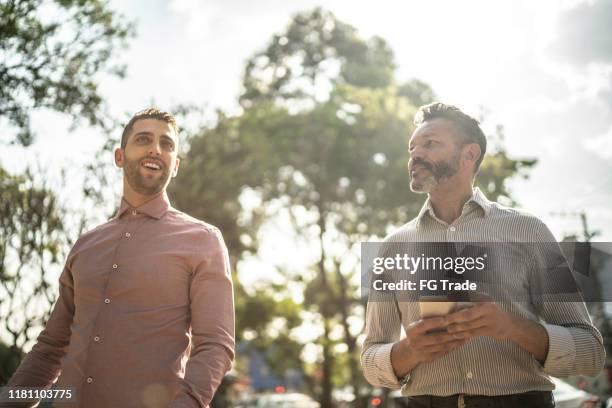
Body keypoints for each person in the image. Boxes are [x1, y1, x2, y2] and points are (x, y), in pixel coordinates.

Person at [360, 102, 605, 407]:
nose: (416, 155)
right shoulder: (392, 247)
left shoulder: (529, 231)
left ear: (469, 154)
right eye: (412, 148)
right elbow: (370, 358)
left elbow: (590, 351)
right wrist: (410, 350)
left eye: (430, 143)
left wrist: (513, 327)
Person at [2, 108, 235, 408]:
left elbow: (216, 346)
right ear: (119, 156)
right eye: (143, 139)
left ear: (175, 165)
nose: (155, 148)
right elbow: (50, 348)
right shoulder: (86, 245)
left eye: (167, 144)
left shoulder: (203, 240)